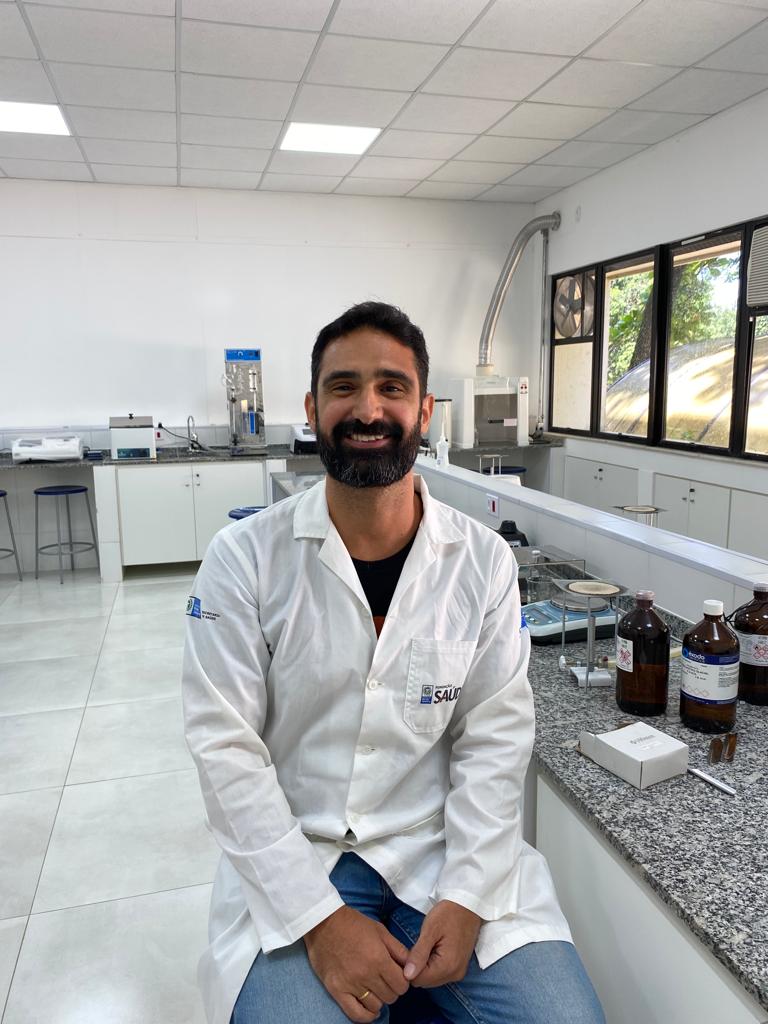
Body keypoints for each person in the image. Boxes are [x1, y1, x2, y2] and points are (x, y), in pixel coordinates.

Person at [182, 301, 605, 1024]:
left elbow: (494, 737)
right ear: (312, 409)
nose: (368, 409)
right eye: (343, 387)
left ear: (425, 411)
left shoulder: (482, 562)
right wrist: (318, 920)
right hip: (301, 851)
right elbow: (224, 747)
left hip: (436, 848)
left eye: (392, 387)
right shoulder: (243, 560)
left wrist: (469, 894)